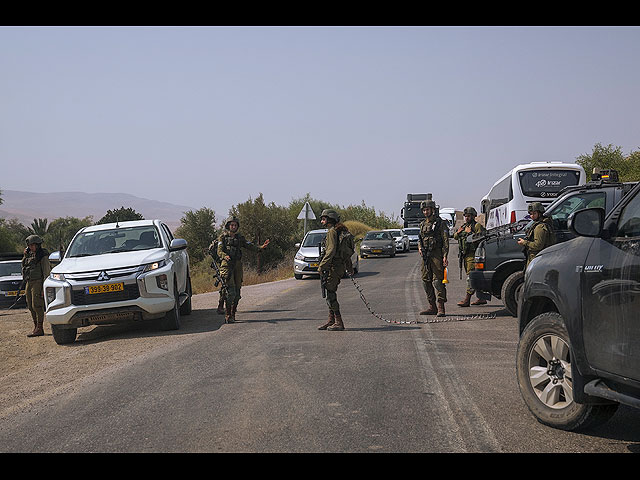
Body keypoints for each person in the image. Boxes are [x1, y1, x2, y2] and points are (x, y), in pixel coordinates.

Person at [217, 216, 269, 323]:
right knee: (230, 291)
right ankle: (228, 314)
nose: (233, 226)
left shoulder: (240, 238)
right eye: (231, 225)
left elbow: (250, 246)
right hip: (226, 265)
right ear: (228, 226)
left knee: (237, 292)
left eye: (235, 225)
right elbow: (219, 250)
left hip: (237, 266)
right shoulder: (222, 237)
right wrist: (224, 256)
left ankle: (233, 313)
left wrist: (261, 247)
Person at [317, 209, 354, 331]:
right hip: (337, 266)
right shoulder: (338, 231)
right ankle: (331, 320)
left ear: (329, 219)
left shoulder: (332, 232)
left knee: (330, 293)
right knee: (329, 292)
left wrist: (322, 266)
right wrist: (349, 267)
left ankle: (339, 322)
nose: (322, 220)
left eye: (324, 218)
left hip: (334, 267)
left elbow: (331, 250)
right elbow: (344, 253)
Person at [418, 200, 449, 317]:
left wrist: (445, 256)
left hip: (437, 255)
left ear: (432, 210)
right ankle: (432, 306)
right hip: (426, 256)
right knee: (425, 281)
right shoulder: (422, 225)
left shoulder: (440, 223)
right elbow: (420, 239)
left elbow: (446, 241)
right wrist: (420, 248)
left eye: (428, 210)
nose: (426, 212)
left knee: (438, 281)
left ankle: (441, 307)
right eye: (424, 210)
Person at [453, 207, 487, 306]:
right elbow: (455, 236)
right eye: (465, 216)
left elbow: (481, 239)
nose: (466, 218)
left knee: (470, 277)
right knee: (475, 276)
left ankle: (467, 300)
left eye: (468, 216)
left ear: (473, 216)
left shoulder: (477, 226)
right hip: (465, 255)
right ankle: (481, 298)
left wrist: (470, 234)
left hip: (473, 255)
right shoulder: (464, 226)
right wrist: (459, 232)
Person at [21, 235, 51, 337]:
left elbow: (46, 272)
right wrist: (25, 255)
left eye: (33, 245)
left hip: (38, 282)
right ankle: (35, 327)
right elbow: (24, 266)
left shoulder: (42, 255)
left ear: (38, 245)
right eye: (29, 245)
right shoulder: (29, 255)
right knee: (30, 305)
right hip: (29, 281)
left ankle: (40, 328)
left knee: (37, 305)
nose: (31, 247)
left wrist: (44, 287)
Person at [517, 202, 555, 268]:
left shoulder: (539, 227)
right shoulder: (539, 224)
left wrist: (524, 242)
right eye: (531, 214)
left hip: (537, 260)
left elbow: (538, 245)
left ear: (539, 213)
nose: (532, 216)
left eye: (534, 213)